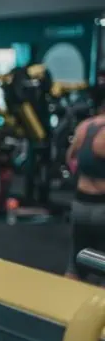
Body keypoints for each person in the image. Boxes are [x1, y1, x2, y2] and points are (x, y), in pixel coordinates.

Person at [64, 99, 105, 281]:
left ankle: (62, 308)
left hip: (80, 204)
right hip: (102, 208)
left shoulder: (84, 127)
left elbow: (70, 159)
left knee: (74, 267)